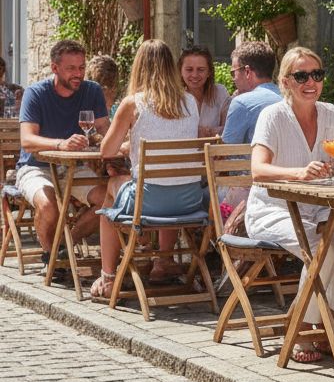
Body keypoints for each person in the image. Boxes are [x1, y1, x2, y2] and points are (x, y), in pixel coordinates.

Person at [246, 46, 334, 363]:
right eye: (301, 75)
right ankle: (304, 326)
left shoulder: (331, 114)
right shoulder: (272, 116)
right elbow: (257, 169)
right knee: (326, 248)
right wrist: (299, 174)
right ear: (286, 81)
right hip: (273, 210)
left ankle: (325, 317)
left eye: (316, 74)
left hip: (318, 210)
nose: (310, 82)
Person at [90, 39, 205, 301]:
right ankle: (162, 263)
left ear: (139, 67)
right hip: (188, 200)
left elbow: (106, 151)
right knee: (168, 180)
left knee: (111, 189)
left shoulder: (133, 104)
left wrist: (125, 142)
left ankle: (108, 277)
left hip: (150, 202)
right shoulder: (190, 101)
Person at [16, 39, 110, 257]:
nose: (78, 74)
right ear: (55, 68)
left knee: (110, 200)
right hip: (35, 167)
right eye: (71, 69)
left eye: (81, 67)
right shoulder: (36, 93)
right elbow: (27, 140)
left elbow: (105, 128)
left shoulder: (92, 91)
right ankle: (52, 256)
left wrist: (117, 145)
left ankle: (62, 247)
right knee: (49, 206)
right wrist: (61, 144)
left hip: (73, 167)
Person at [222, 41, 281, 145]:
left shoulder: (242, 103)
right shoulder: (292, 98)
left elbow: (226, 152)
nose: (233, 79)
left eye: (233, 73)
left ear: (247, 72)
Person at [179, 45, 229, 137]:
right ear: (180, 71)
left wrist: (206, 132)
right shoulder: (175, 97)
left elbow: (229, 129)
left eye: (201, 70)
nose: (195, 75)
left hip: (214, 150)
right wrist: (213, 131)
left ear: (209, 72)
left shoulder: (220, 92)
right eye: (189, 70)